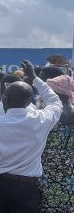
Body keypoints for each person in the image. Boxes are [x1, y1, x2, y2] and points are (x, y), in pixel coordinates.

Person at [0, 60, 63, 213]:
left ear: (4, 99)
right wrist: (34, 78)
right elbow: (55, 102)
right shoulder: (42, 119)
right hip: (28, 189)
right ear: (29, 101)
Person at [40, 75, 74, 212]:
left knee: (47, 205)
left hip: (47, 169)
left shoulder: (49, 114)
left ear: (56, 93)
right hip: (70, 170)